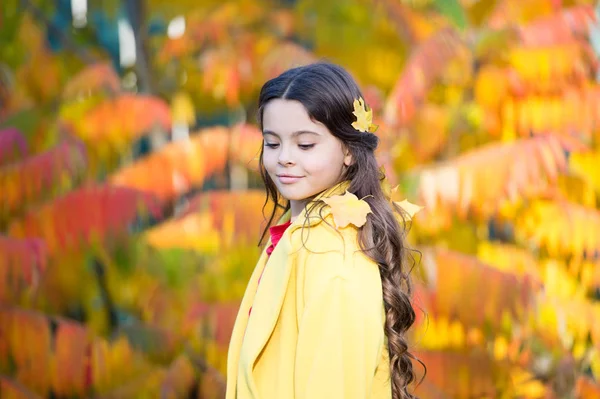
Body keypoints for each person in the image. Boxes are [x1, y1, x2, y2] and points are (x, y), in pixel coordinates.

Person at [226, 62, 420, 399]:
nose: (284, 158)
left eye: (305, 145)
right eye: (272, 144)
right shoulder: (300, 236)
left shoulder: (334, 258)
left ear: (347, 150)